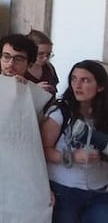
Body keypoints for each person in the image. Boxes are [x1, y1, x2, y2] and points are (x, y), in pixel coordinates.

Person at [40, 60, 108, 222]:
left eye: (85, 80)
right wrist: (72, 156)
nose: (77, 85)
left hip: (100, 191)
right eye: (73, 79)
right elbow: (42, 149)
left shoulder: (104, 116)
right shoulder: (60, 112)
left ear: (100, 86)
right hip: (64, 191)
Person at [26, 29, 59, 95]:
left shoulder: (49, 68)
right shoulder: (19, 70)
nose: (45, 58)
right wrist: (34, 89)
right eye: (40, 54)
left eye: (48, 54)